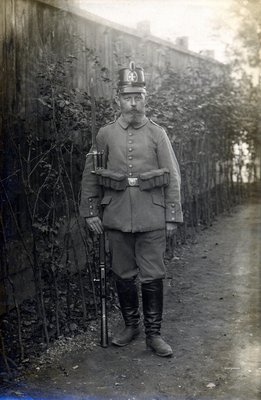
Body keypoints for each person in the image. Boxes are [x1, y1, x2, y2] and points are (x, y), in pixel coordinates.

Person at [79, 61, 183, 357]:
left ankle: (154, 334)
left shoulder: (157, 134)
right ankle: (131, 326)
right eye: (128, 97)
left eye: (138, 97)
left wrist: (172, 215)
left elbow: (172, 175)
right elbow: (91, 174)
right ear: (118, 100)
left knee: (152, 275)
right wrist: (90, 211)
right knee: (123, 274)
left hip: (152, 215)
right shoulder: (105, 134)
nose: (134, 103)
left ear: (145, 98)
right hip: (117, 215)